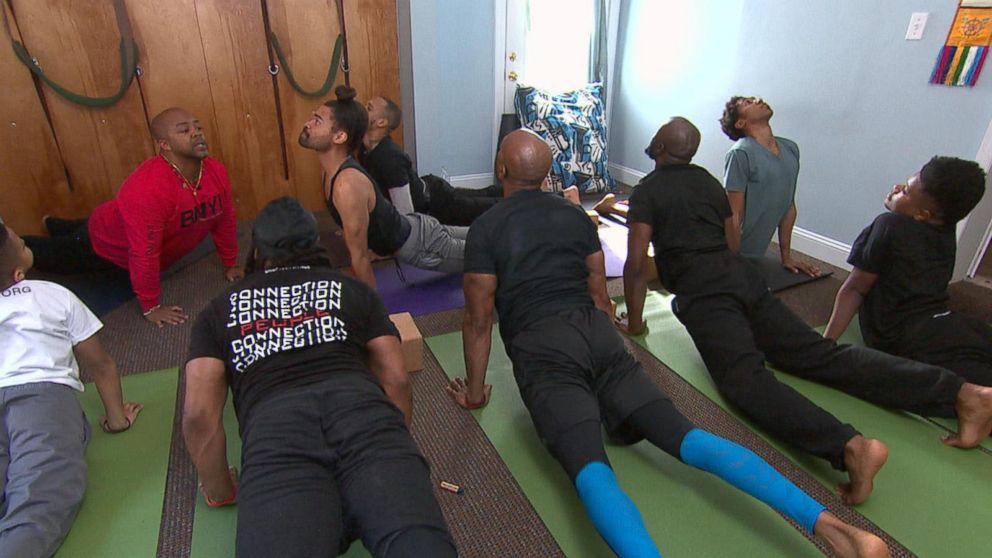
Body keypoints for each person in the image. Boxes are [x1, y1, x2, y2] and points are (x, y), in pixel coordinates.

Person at [447, 129, 889, 558]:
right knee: (689, 438)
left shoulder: (486, 229)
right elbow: (601, 295)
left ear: (501, 168)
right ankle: (840, 532)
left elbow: (479, 318)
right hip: (598, 337)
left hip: (545, 352)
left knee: (591, 470)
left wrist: (474, 392)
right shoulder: (574, 216)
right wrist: (609, 363)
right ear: (547, 174)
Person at [620, 117, 992, 507]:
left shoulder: (647, 192)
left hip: (705, 292)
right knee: (818, 353)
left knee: (744, 380)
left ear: (658, 149)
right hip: (742, 278)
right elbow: (732, 242)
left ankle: (849, 447)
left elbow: (633, 265)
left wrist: (634, 321)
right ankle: (962, 393)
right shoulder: (709, 181)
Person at [183, 197, 456, 557]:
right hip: (365, 415)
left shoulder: (219, 310)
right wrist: (390, 451)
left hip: (276, 433)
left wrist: (219, 490)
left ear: (259, 253)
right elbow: (395, 378)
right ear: (316, 245)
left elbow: (199, 415)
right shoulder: (353, 290)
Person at [24, 108, 243, 327]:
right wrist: (151, 306)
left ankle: (53, 224)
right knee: (48, 254)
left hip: (120, 216)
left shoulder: (215, 170)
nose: (196, 133)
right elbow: (144, 254)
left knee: (89, 225)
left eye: (198, 127)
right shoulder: (148, 190)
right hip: (104, 243)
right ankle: (19, 242)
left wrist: (230, 263)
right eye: (184, 130)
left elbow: (224, 218)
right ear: (164, 144)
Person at [0, 224, 142, 557]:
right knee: (42, 495)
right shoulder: (53, 294)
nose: (23, 239)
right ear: (19, 273)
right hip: (41, 396)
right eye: (21, 242)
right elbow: (100, 364)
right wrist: (116, 418)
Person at [826, 157, 991, 387]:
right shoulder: (930, 225)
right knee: (975, 368)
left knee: (978, 335)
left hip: (921, 324)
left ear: (923, 214)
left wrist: (822, 348)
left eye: (905, 191)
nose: (897, 188)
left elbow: (854, 289)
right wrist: (825, 347)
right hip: (904, 333)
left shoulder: (897, 225)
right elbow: (855, 289)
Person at [298, 86, 467, 289]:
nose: (308, 124)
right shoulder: (329, 172)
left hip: (421, 245)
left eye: (317, 121)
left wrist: (375, 316)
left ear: (340, 137)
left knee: (490, 252)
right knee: (487, 236)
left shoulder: (346, 185)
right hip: (418, 228)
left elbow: (360, 258)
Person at [361, 96, 502, 227]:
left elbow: (406, 215)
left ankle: (520, 196)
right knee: (484, 196)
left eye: (369, 108)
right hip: (431, 188)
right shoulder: (365, 150)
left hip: (438, 202)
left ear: (381, 122)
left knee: (490, 206)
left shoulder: (389, 157)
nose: (361, 109)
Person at [719, 96, 819, 276]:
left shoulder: (790, 148)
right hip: (728, 249)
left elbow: (788, 205)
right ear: (741, 123)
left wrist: (786, 257)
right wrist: (731, 263)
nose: (757, 99)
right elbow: (733, 215)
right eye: (748, 103)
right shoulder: (740, 153)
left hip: (754, 253)